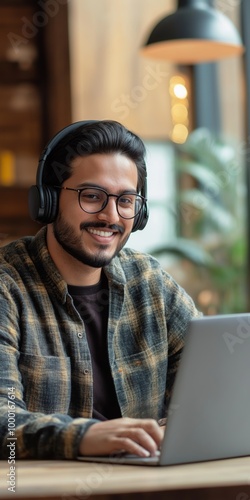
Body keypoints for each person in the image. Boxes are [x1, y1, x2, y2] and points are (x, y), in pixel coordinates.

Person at [0, 120, 200, 460]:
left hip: (148, 488)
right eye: (92, 196)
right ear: (48, 200)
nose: (111, 216)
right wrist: (83, 436)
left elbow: (216, 383)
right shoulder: (8, 287)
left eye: (126, 200)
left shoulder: (150, 283)